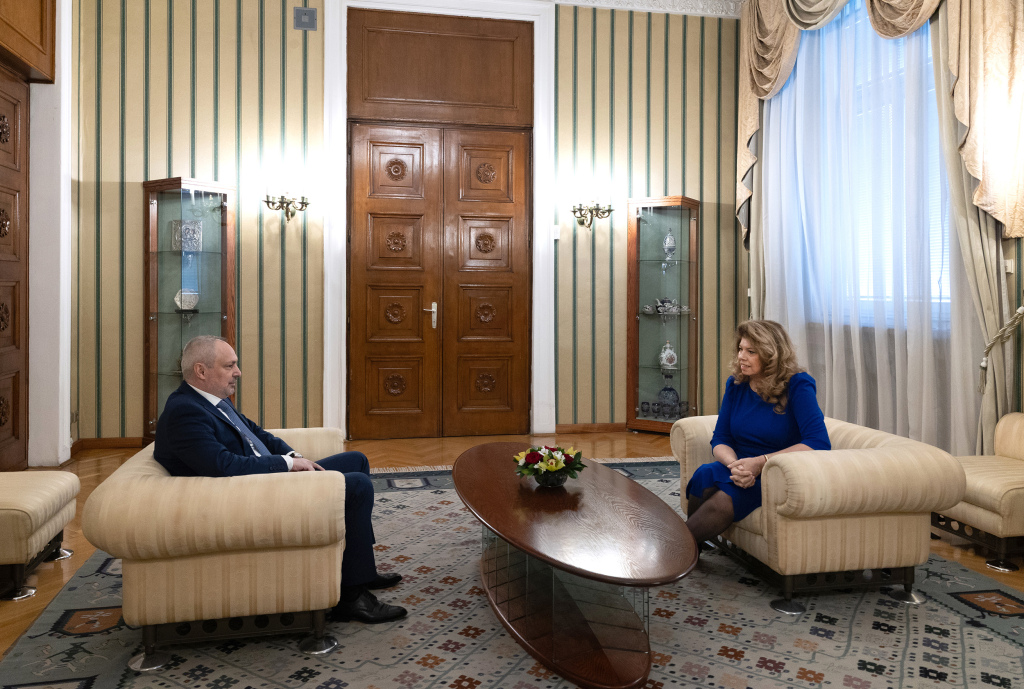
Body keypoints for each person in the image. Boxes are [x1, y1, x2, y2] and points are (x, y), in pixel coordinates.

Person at [154, 335, 407, 624]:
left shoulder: (213, 401)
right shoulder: (184, 412)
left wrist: (294, 456)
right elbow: (224, 466)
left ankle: (361, 567)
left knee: (356, 460)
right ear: (201, 371)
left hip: (268, 480)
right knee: (358, 486)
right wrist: (287, 465)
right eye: (230, 365)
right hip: (254, 495)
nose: (238, 372)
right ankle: (351, 597)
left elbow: (258, 434)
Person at [685, 320, 830, 546]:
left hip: (777, 472)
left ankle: (675, 550)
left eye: (751, 352)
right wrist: (736, 465)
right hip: (740, 465)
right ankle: (693, 548)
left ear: (772, 354)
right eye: (740, 349)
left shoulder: (798, 385)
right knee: (704, 474)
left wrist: (760, 463)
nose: (741, 357)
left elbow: (818, 442)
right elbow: (721, 438)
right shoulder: (736, 384)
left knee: (725, 499)